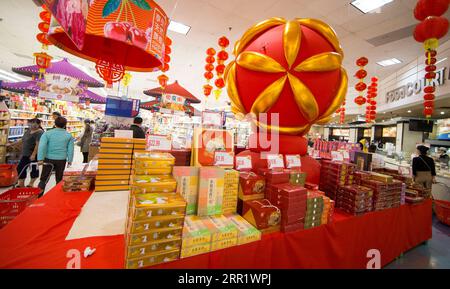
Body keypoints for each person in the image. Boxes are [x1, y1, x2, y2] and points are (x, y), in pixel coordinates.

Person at [37, 116, 74, 197]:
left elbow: (42, 146)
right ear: (65, 125)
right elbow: (70, 149)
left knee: (43, 179)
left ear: (55, 124)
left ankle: (38, 197)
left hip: (48, 159)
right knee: (59, 179)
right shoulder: (69, 135)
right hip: (61, 160)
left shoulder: (47, 133)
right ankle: (58, 196)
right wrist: (70, 160)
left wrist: (40, 159)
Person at [13, 118, 44, 187]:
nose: (31, 124)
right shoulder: (28, 130)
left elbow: (38, 144)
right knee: (20, 168)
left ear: (38, 124)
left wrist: (33, 154)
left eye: (33, 123)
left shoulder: (40, 132)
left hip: (33, 154)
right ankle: (21, 184)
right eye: (30, 123)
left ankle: (31, 183)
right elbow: (22, 139)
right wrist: (13, 143)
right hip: (25, 153)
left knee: (34, 168)